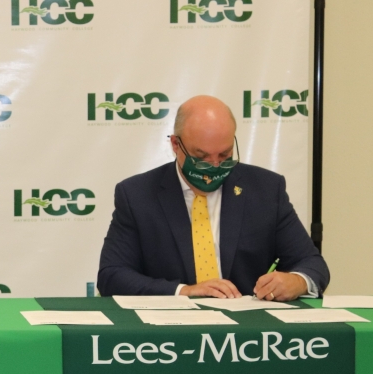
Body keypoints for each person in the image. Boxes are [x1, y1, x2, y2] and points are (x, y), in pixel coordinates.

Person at [97, 95, 328, 301]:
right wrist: (183, 291)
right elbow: (112, 275)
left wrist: (297, 281)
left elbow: (313, 264)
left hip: (251, 333)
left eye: (225, 155)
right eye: (202, 157)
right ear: (176, 145)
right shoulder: (137, 195)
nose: (215, 166)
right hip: (168, 333)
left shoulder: (266, 190)